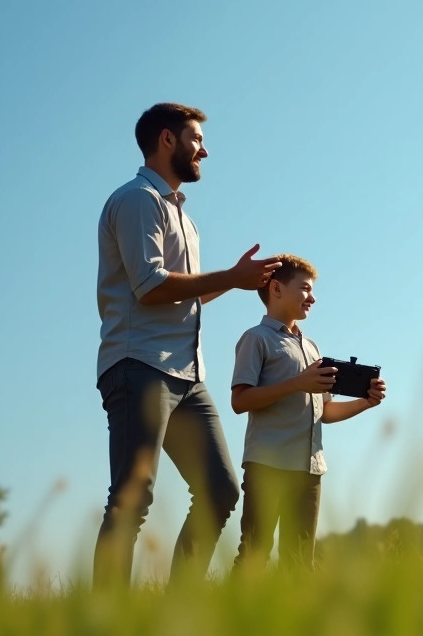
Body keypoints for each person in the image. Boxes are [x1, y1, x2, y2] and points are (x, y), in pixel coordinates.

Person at [93, 102, 282, 588]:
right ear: (167, 140)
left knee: (220, 489)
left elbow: (184, 292)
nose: (205, 149)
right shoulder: (137, 200)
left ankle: (180, 605)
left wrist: (238, 282)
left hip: (186, 376)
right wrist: (228, 276)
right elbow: (150, 286)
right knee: (132, 498)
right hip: (139, 365)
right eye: (196, 139)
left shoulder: (186, 220)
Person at [230, 254, 386, 568]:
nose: (312, 297)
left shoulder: (313, 347)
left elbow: (324, 412)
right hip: (267, 465)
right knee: (254, 554)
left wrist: (366, 402)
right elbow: (240, 401)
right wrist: (297, 382)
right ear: (276, 289)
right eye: (304, 289)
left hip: (310, 470)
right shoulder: (256, 339)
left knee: (300, 560)